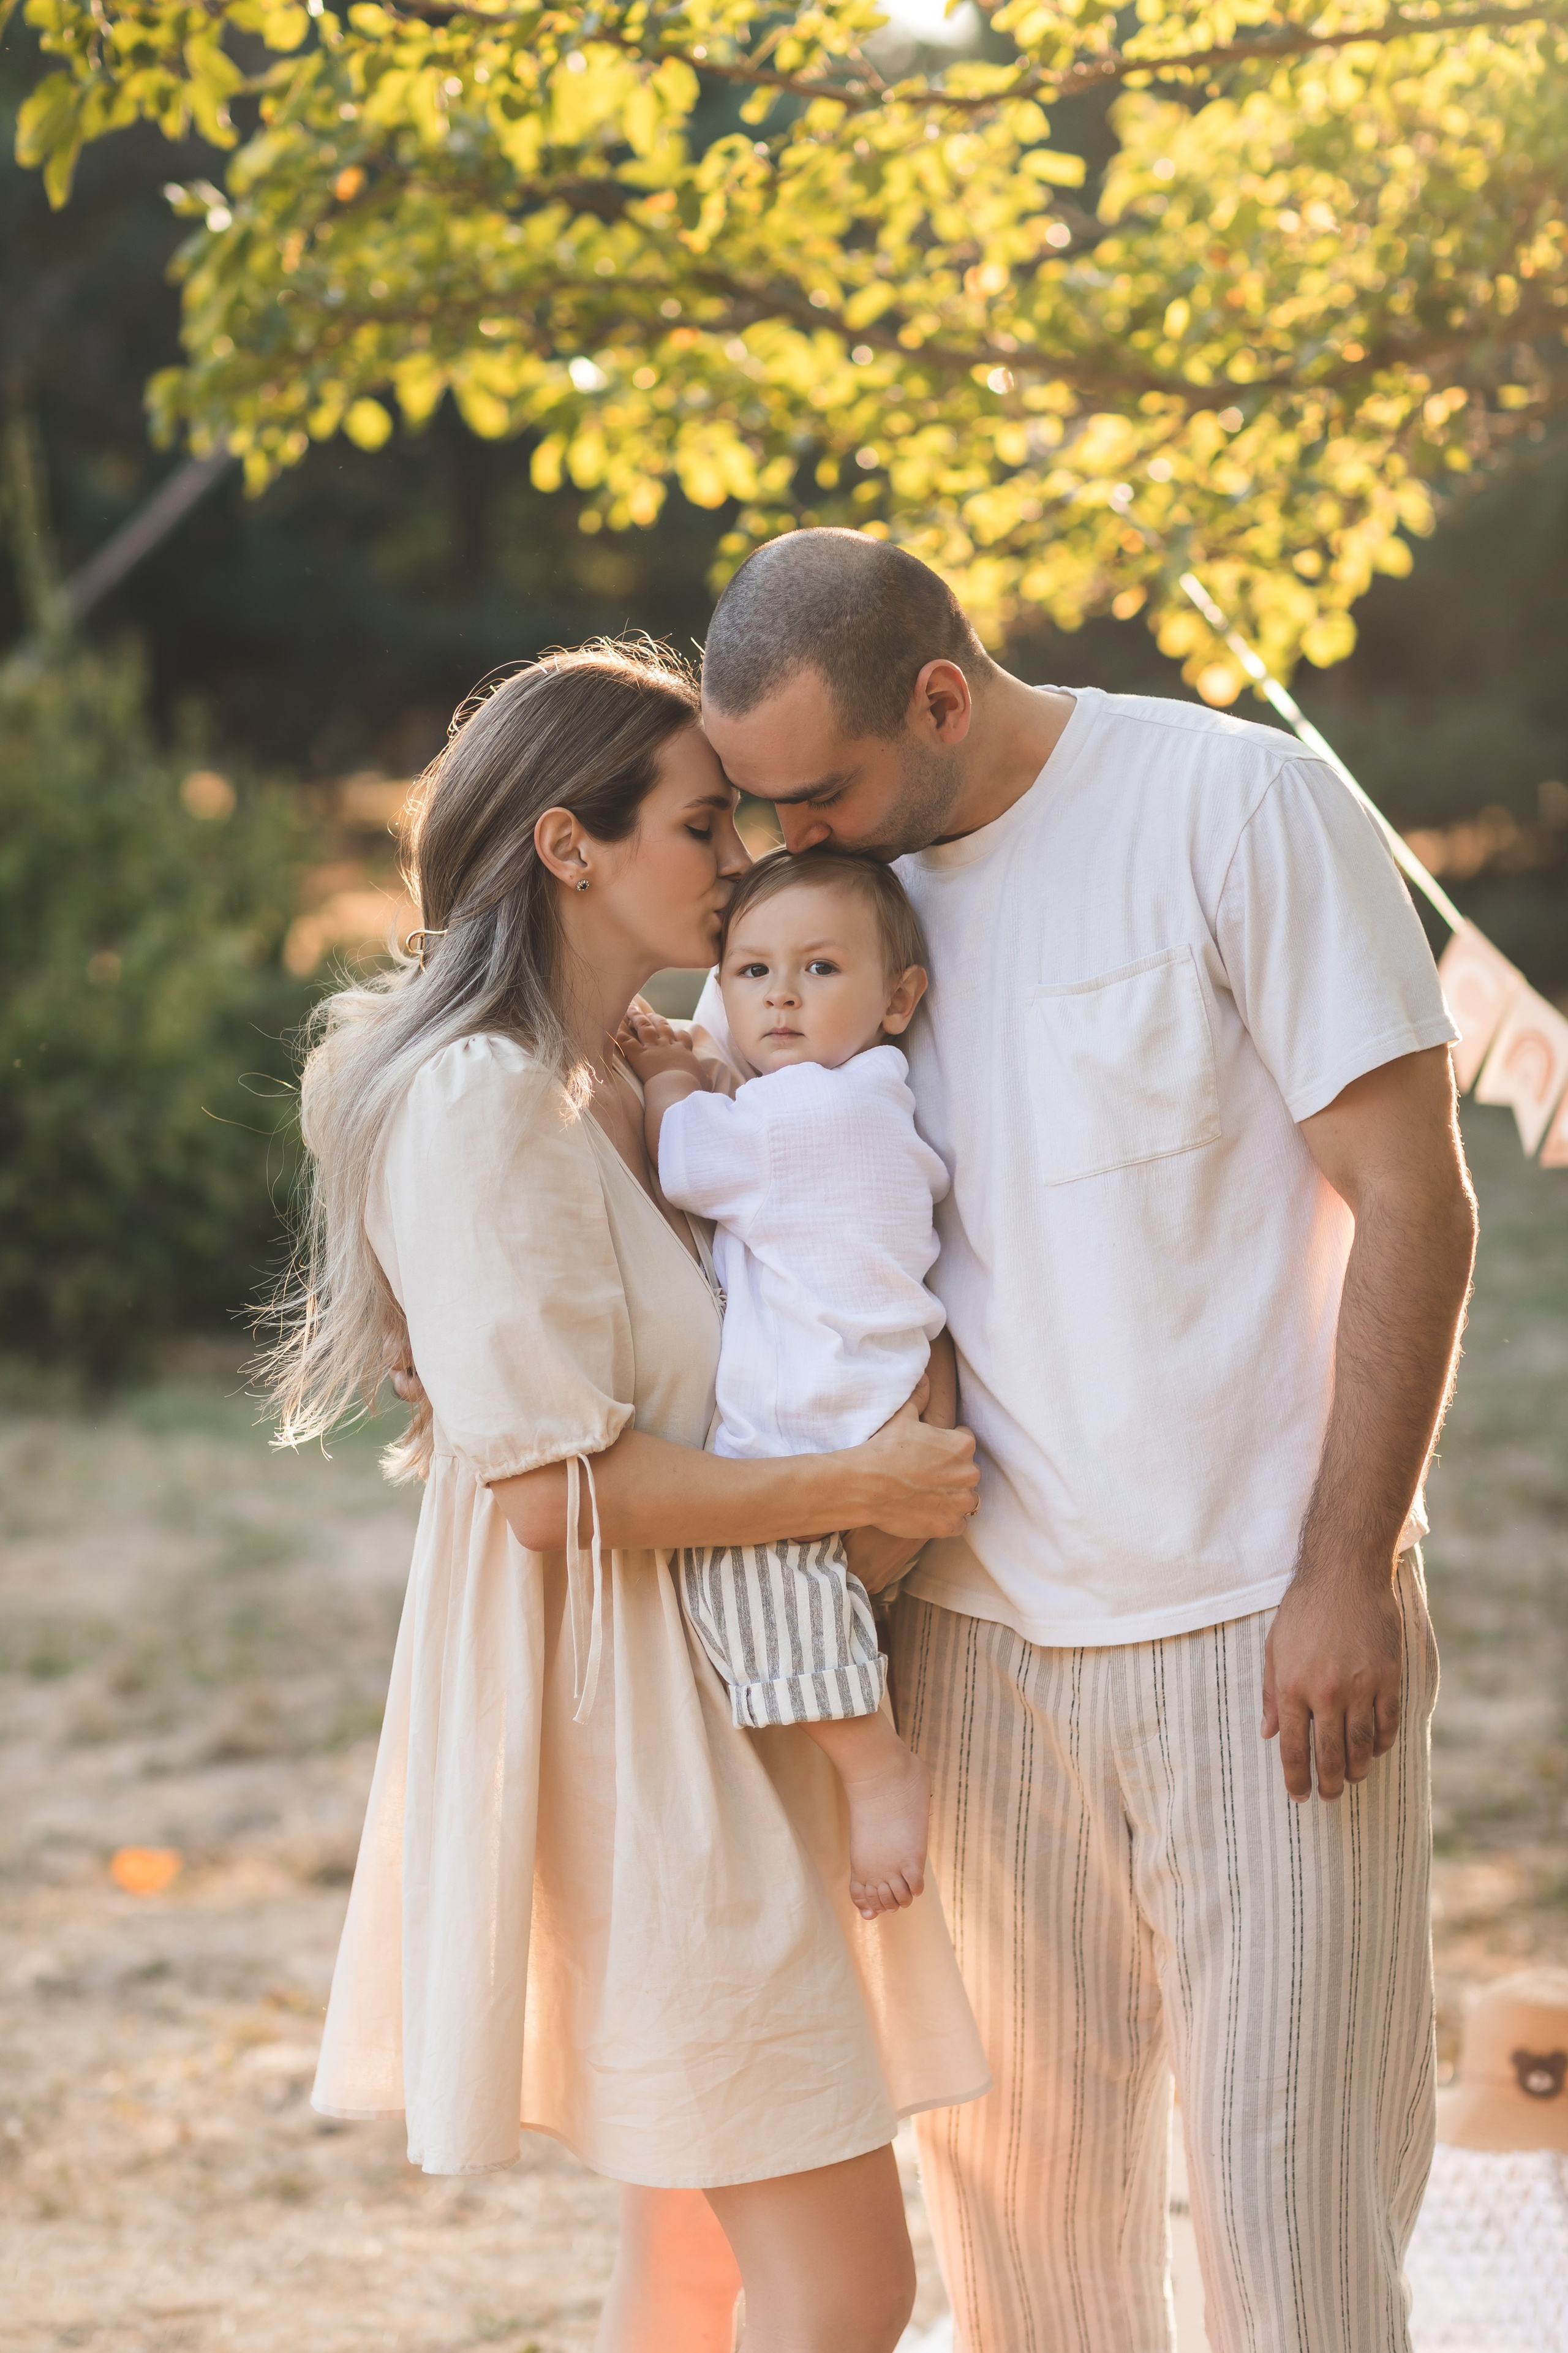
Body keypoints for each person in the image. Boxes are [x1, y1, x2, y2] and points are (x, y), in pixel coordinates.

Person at [694, 531, 1480, 2353]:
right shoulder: (831, 910)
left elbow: (1415, 1201)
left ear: (944, 698)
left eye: (812, 791)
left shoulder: (1235, 806)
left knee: (1293, 2242)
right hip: (967, 1651)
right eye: (755, 805)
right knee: (1026, 2259)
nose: (782, 840)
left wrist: (1346, 1569)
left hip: (1260, 1628)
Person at [261, 640, 988, 2353]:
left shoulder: (612, 1082)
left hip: (723, 1691)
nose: (736, 862)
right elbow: (553, 1495)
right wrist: (868, 1478)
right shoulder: (484, 1103)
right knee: (845, 2281)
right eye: (698, 825)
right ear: (568, 847)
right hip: (642, 1732)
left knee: (690, 2263)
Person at [625, 847, 952, 1923]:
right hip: (866, 1382)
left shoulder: (808, 1115)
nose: (779, 995)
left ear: (899, 997)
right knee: (810, 1604)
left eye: (819, 970)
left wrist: (672, 1074)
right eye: (752, 971)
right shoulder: (853, 1095)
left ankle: (873, 1765)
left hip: (821, 1412)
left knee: (736, 1577)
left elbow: (684, 1159)